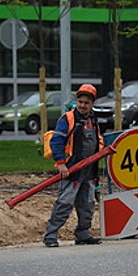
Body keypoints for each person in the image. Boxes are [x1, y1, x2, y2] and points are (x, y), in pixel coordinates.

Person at [43, 84, 104, 248]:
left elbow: (98, 142)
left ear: (92, 103)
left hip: (89, 171)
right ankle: (50, 236)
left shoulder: (93, 120)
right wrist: (61, 164)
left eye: (86, 102)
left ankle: (83, 234)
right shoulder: (67, 119)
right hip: (71, 170)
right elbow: (56, 142)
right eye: (80, 101)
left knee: (87, 204)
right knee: (64, 204)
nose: (83, 105)